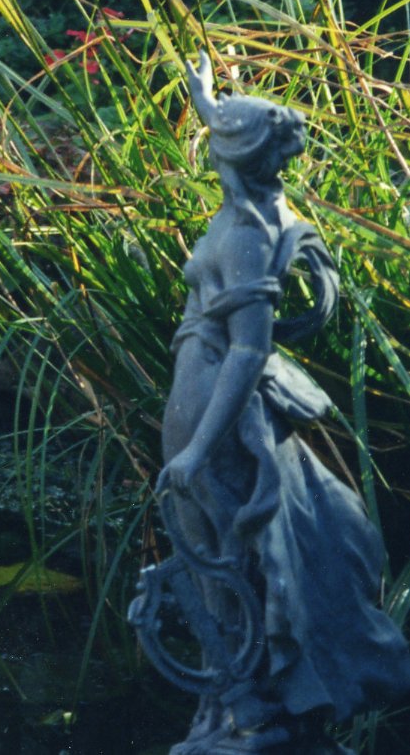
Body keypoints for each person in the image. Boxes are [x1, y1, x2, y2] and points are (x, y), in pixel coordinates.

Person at [151, 52, 410, 752]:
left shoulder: (246, 234)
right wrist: (204, 98)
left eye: (214, 134)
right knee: (211, 543)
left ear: (228, 155)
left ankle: (249, 705)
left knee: (223, 553)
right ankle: (228, 702)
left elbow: (247, 350)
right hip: (199, 384)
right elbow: (234, 134)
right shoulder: (258, 201)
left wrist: (202, 445)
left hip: (215, 395)